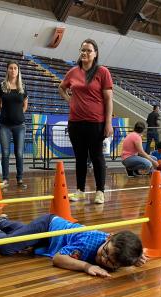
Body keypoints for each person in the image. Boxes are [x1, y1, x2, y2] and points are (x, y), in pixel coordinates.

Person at [0, 214, 147, 278]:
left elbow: (123, 257)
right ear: (109, 237)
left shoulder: (118, 252)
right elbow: (58, 258)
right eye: (105, 252)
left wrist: (135, 259)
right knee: (5, 248)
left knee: (24, 237)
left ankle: (2, 222)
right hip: (48, 226)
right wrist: (87, 266)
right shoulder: (88, 243)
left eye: (111, 263)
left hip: (48, 240)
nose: (103, 259)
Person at [58, 38, 113, 204]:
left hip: (96, 122)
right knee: (80, 158)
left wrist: (108, 123)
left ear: (95, 54)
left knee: (96, 157)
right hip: (75, 122)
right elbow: (61, 87)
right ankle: (80, 191)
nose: (85, 53)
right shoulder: (73, 72)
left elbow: (109, 99)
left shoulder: (102, 72)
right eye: (83, 50)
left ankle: (100, 192)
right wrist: (70, 101)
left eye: (89, 50)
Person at [0, 61, 28, 189]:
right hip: (4, 125)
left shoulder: (22, 87)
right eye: (11, 68)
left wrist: (19, 114)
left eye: (15, 68)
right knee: (5, 153)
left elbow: (25, 103)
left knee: (19, 153)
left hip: (20, 126)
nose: (13, 70)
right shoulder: (2, 86)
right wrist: (6, 114)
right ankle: (5, 179)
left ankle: (20, 179)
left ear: (18, 71)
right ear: (7, 70)